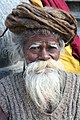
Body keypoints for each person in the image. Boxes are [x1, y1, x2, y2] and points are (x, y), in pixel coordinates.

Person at [0, 2, 80, 120]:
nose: (44, 56)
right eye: (35, 48)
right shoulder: (5, 90)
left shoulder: (78, 87)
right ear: (22, 51)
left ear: (60, 51)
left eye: (51, 48)